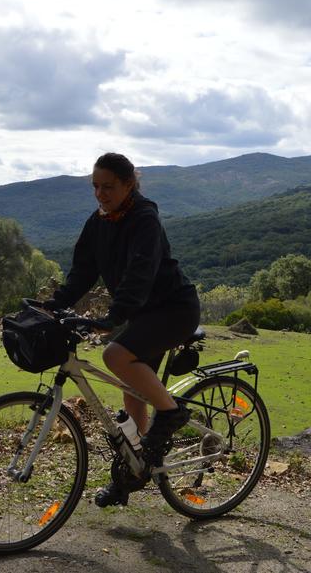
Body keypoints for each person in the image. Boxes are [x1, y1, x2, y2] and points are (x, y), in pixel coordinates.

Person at [44, 152, 200, 507]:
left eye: (108, 187)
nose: (100, 194)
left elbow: (140, 274)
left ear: (130, 184)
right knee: (132, 398)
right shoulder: (99, 221)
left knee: (115, 354)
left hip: (174, 310)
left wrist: (114, 316)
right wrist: (54, 304)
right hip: (143, 314)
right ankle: (134, 471)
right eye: (95, 187)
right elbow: (82, 273)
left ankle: (172, 413)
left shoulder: (145, 219)